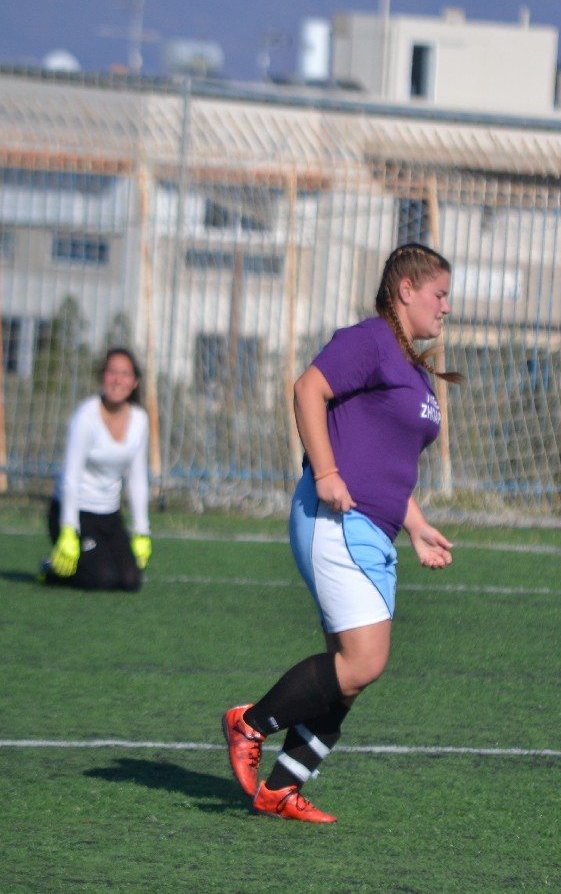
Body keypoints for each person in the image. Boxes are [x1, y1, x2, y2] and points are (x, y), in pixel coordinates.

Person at [222, 242, 461, 823]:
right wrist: (326, 472)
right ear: (406, 289)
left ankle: (281, 789)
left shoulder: (412, 369)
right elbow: (308, 389)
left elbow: (383, 460)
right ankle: (249, 723)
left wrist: (416, 525)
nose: (446, 306)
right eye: (440, 294)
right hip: (336, 519)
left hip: (375, 529)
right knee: (364, 661)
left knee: (347, 677)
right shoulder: (372, 339)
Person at [40, 347, 152, 591]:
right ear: (102, 376)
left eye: (124, 374)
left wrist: (142, 531)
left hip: (109, 516)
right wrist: (69, 529)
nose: (117, 380)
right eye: (112, 372)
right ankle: (52, 569)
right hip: (76, 513)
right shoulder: (85, 416)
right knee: (103, 579)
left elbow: (137, 479)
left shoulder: (140, 420)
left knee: (130, 581)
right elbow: (70, 477)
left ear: (134, 382)